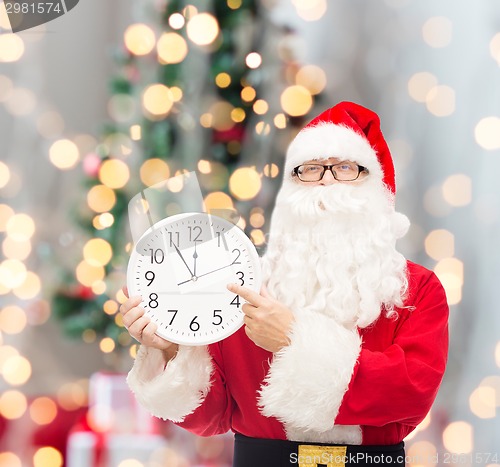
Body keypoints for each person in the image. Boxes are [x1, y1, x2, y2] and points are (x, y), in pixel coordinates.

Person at [120, 101, 449, 466]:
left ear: (376, 187)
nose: (326, 179)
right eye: (309, 169)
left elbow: (410, 394)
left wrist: (295, 339)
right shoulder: (244, 284)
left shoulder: (419, 290)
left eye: (344, 168)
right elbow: (211, 415)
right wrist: (170, 348)